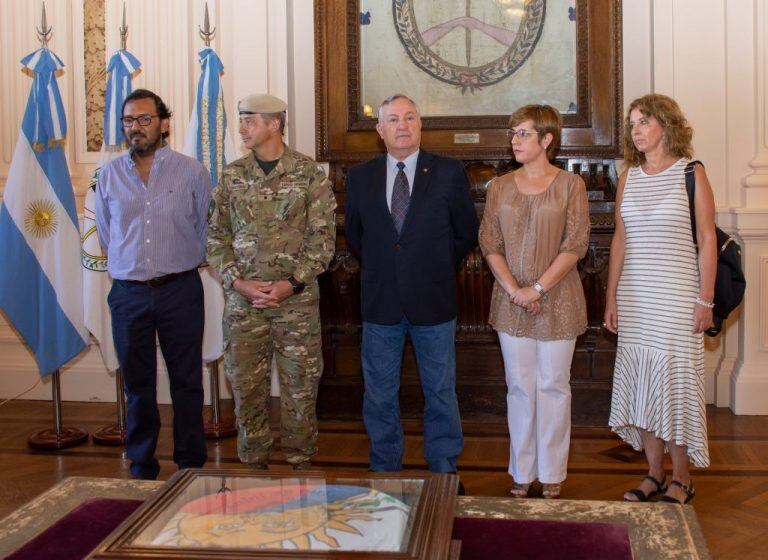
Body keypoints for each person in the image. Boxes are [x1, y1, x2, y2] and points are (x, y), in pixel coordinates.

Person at [344, 94, 479, 475]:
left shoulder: (448, 172)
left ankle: (443, 467)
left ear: (420, 125)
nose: (402, 126)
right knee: (380, 395)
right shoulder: (360, 176)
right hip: (380, 302)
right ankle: (385, 469)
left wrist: (433, 267)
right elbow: (356, 235)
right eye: (393, 120)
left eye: (410, 118)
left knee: (440, 391)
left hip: (433, 301)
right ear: (380, 130)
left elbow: (465, 231)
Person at [207, 93, 336, 470]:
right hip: (244, 305)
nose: (242, 128)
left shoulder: (310, 174)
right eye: (241, 120)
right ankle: (253, 465)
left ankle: (300, 464)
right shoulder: (232, 176)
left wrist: (291, 285)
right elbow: (216, 238)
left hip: (294, 305)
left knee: (300, 390)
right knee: (247, 390)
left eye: (249, 120)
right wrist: (238, 283)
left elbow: (322, 240)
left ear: (274, 124)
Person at [605, 93, 716, 504]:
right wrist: (611, 297)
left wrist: (705, 301)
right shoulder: (628, 177)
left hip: (677, 297)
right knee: (642, 385)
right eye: (632, 124)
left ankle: (682, 478)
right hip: (636, 298)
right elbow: (621, 238)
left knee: (674, 385)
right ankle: (653, 474)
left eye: (643, 122)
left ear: (666, 125)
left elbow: (707, 240)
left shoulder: (691, 172)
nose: (635, 130)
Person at [95, 89, 211, 480]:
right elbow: (108, 235)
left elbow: (204, 229)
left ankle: (190, 463)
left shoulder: (192, 171)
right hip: (128, 294)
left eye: (145, 119)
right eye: (129, 120)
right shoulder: (108, 174)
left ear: (164, 124)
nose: (136, 127)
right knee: (138, 385)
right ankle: (142, 464)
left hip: (180, 289)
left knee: (186, 382)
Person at [478, 104, 589, 499]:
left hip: (559, 300)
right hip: (510, 302)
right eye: (513, 133)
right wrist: (515, 291)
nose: (515, 140)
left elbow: (576, 244)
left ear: (547, 140)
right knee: (519, 387)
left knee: (554, 385)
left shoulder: (570, 185)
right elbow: (489, 242)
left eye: (524, 133)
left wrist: (537, 289)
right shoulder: (500, 186)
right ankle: (522, 472)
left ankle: (553, 472)